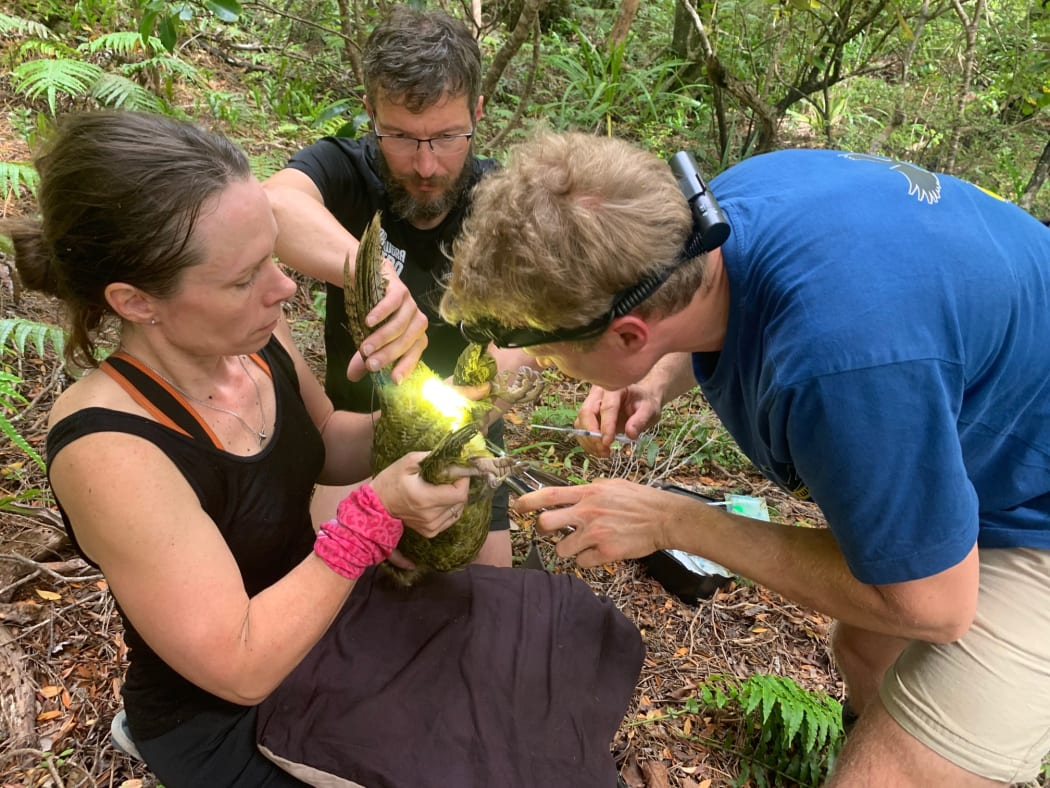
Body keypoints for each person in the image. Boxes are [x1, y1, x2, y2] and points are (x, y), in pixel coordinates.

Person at [6, 113, 644, 787]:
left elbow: (329, 443)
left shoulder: (251, 340)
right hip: (229, 710)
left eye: (272, 257)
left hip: (326, 615)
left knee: (546, 633)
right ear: (135, 302)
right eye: (244, 278)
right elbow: (241, 665)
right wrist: (375, 516)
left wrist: (432, 416)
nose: (284, 288)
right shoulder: (110, 450)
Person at [439, 131, 1050, 787]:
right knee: (864, 647)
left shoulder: (839, 369)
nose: (545, 364)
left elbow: (933, 604)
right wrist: (657, 374)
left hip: (1032, 511)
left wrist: (674, 521)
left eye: (545, 351)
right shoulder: (722, 214)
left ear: (628, 333)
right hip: (992, 420)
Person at [264, 5, 531, 567]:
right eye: (402, 137)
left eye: (448, 136)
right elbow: (274, 205)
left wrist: (480, 397)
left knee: (490, 592)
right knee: (339, 580)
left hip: (467, 438)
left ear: (478, 112)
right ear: (371, 112)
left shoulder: (504, 201)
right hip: (356, 439)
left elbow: (531, 340)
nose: (426, 165)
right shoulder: (343, 170)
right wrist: (373, 271)